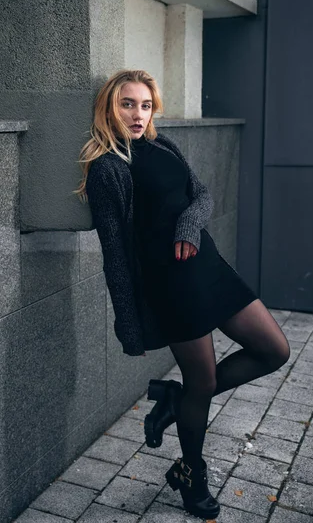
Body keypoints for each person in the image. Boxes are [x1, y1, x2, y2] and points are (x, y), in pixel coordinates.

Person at [74, 69, 290, 519]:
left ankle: (177, 400)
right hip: (170, 285)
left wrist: (190, 224)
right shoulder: (107, 168)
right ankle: (192, 474)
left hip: (208, 267)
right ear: (108, 107)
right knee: (203, 382)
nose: (138, 114)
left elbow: (202, 193)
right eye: (127, 104)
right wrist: (128, 321)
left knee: (274, 350)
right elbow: (114, 254)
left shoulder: (160, 145)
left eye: (146, 105)